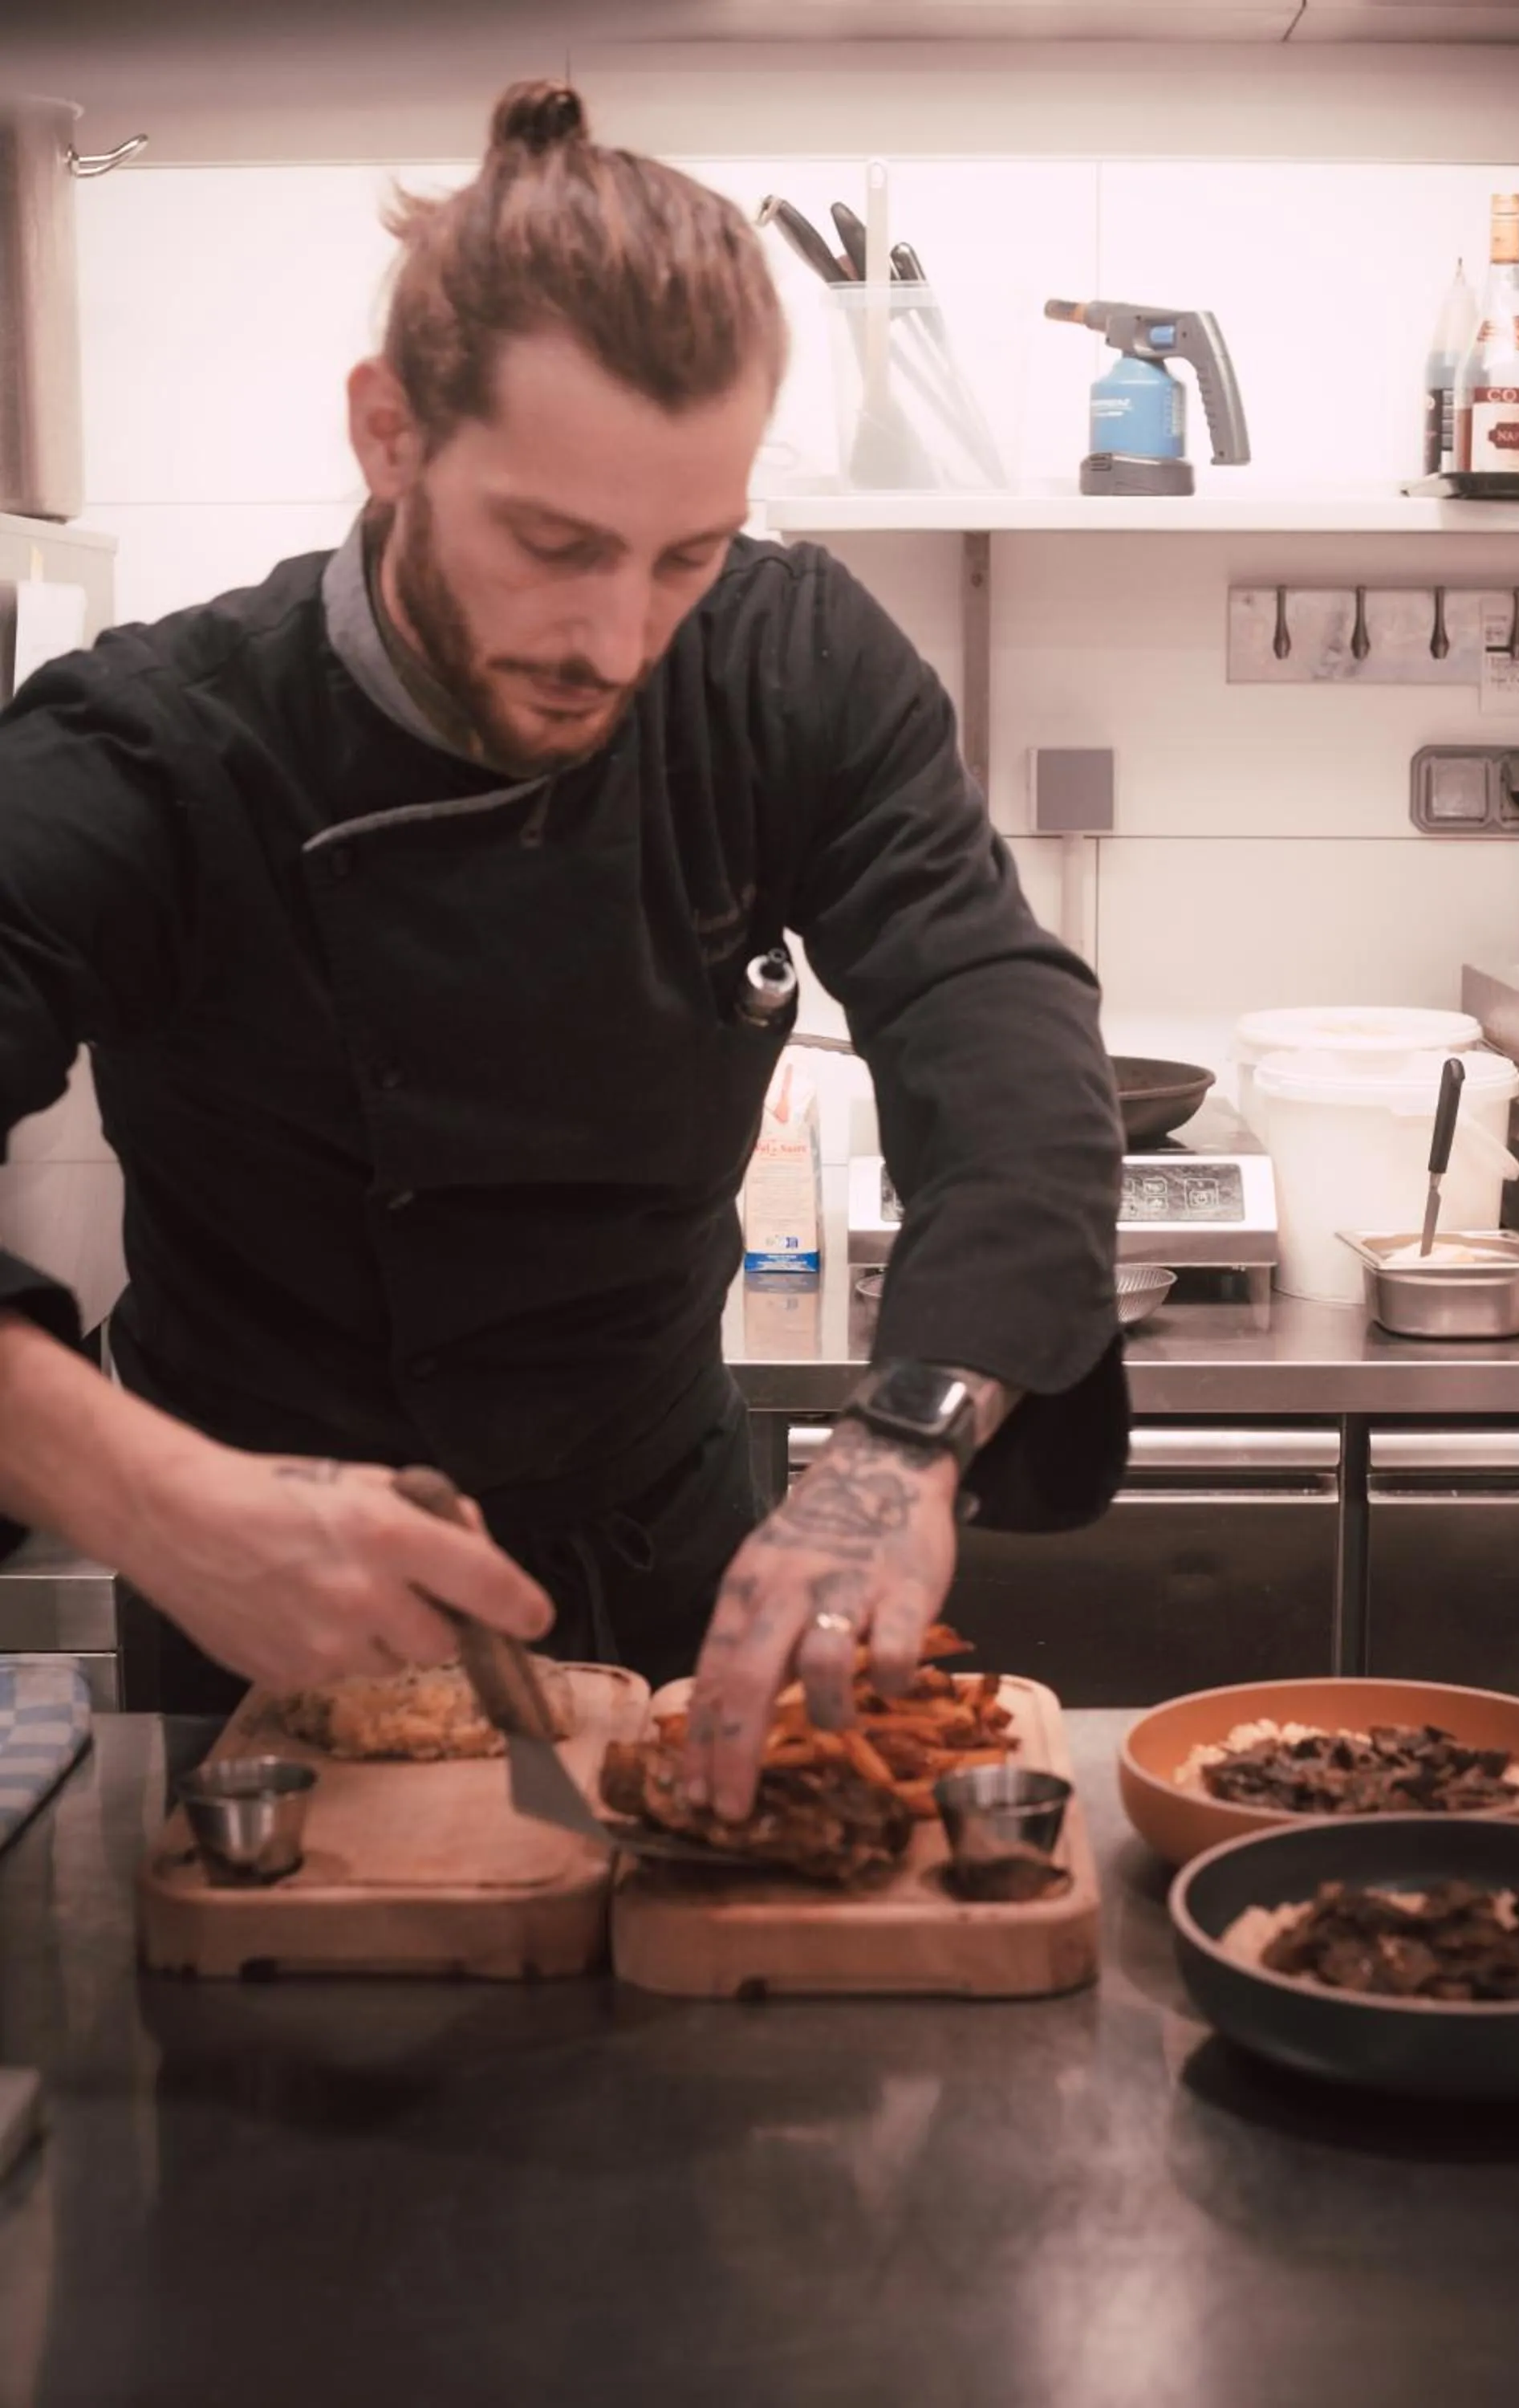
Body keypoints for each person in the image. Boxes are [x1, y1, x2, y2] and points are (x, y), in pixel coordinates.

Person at [0, 82, 1127, 1824]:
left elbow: (991, 1009)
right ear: (389, 437)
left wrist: (908, 1436)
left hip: (666, 1552)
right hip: (261, 1593)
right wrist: (144, 1496)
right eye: (554, 545)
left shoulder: (785, 666)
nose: (616, 640)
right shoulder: (155, 755)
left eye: (687, 552)